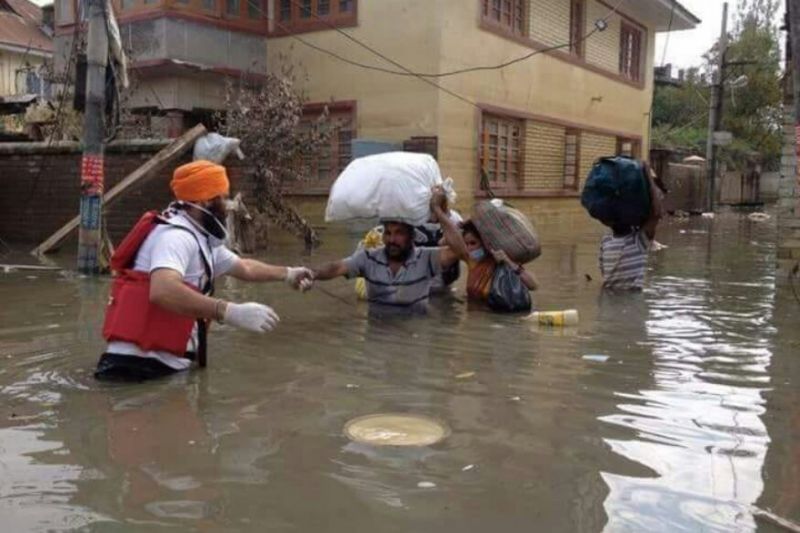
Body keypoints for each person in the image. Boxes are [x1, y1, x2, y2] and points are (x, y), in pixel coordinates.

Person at [95, 160, 313, 382]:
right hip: (137, 368)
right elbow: (163, 290)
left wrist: (288, 273)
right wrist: (228, 311)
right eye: (224, 197)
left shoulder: (200, 237)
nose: (228, 205)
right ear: (205, 200)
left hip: (160, 367)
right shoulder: (175, 237)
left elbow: (245, 267)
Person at [310, 188, 467, 314]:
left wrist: (437, 210)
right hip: (378, 338)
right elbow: (336, 267)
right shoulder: (369, 259)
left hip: (415, 337)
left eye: (399, 233)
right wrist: (311, 273)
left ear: (411, 237)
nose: (392, 239)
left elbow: (460, 251)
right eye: (388, 233)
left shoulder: (425, 258)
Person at [599, 166, 665, 291]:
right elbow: (656, 214)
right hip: (630, 296)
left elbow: (603, 272)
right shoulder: (638, 241)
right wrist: (648, 177)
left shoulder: (606, 241)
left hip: (608, 295)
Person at [460, 221, 538, 302]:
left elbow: (533, 285)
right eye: (466, 244)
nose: (469, 248)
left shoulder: (501, 261)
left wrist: (508, 262)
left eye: (473, 243)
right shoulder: (472, 262)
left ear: (485, 243)